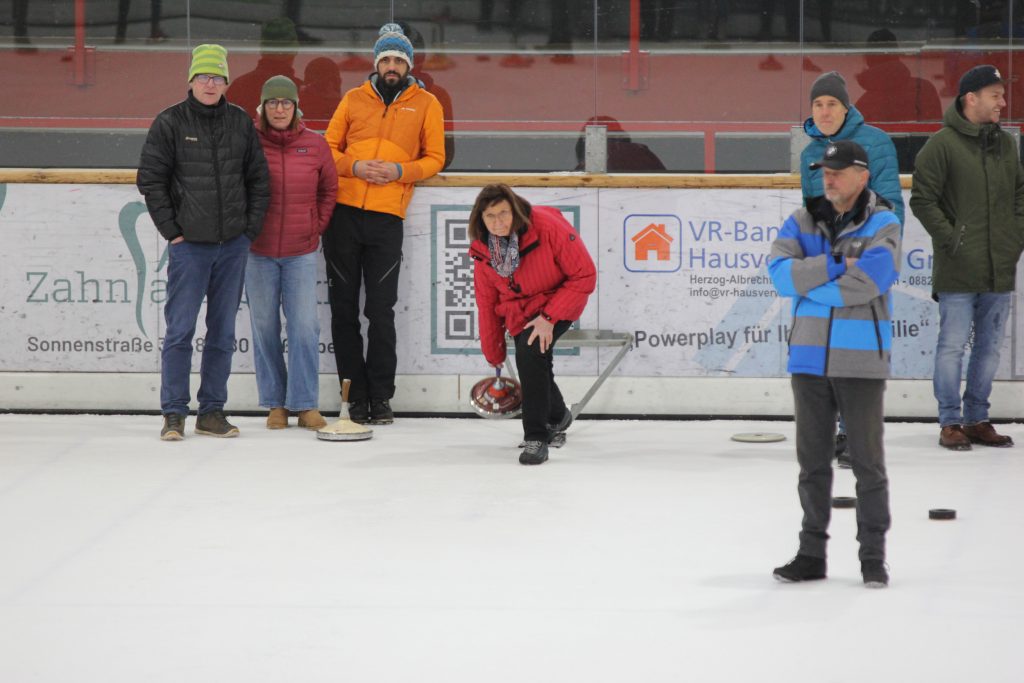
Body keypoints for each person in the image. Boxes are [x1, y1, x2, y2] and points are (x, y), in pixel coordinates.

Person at [768, 140, 901, 588]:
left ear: (863, 176)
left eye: (838, 170)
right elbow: (779, 275)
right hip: (807, 358)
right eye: (825, 170)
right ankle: (811, 556)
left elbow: (871, 281)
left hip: (860, 359)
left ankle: (872, 559)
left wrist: (811, 280)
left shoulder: (883, 222)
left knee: (867, 463)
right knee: (812, 464)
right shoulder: (801, 219)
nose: (828, 177)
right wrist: (835, 263)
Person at [137, 44, 270, 440]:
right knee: (180, 331)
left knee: (223, 333)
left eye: (217, 77)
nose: (210, 84)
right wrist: (172, 232)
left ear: (226, 82)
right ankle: (174, 413)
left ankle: (211, 411)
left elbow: (258, 179)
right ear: (191, 81)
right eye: (203, 77)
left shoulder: (240, 122)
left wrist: (248, 231)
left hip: (232, 245)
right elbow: (151, 180)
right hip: (189, 246)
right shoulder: (170, 122)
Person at [322, 23, 445, 425]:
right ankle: (353, 396)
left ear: (408, 65)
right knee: (343, 310)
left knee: (380, 310)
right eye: (386, 59)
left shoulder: (426, 103)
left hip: (387, 218)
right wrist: (355, 166)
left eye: (399, 60)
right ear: (376, 63)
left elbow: (435, 159)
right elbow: (327, 149)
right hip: (342, 214)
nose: (392, 66)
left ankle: (380, 396)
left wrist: (398, 171)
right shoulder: (353, 99)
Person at [909, 65, 1024, 451]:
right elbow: (923, 200)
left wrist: (1013, 239)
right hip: (958, 266)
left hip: (999, 265)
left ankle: (977, 418)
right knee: (952, 345)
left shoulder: (1006, 144)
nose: (1003, 102)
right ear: (970, 98)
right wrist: (952, 240)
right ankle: (950, 421)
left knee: (990, 347)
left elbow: (1020, 195)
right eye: (995, 95)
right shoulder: (942, 145)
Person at [801, 70, 904, 465]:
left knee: (859, 349)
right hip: (829, 260)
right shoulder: (810, 151)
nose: (825, 112)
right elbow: (813, 208)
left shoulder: (875, 142)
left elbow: (891, 202)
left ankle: (855, 435)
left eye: (832, 104)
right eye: (818, 104)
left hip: (866, 257)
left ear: (847, 107)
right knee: (825, 347)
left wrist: (877, 254)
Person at [468, 185, 596, 465]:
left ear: (515, 211)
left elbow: (584, 276)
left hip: (559, 299)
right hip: (520, 311)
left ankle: (536, 437)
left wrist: (549, 317)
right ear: (481, 219)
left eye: (504, 213)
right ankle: (557, 415)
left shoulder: (548, 227)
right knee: (534, 359)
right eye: (491, 216)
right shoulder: (482, 251)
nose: (499, 222)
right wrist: (494, 351)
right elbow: (487, 304)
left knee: (530, 351)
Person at [246, 76, 337, 431]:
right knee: (265, 326)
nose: (279, 109)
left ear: (296, 107)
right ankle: (275, 404)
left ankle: (305, 404)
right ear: (263, 108)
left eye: (286, 103)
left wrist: (317, 225)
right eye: (272, 103)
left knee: (303, 327)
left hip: (300, 250)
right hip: (258, 251)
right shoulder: (249, 143)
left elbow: (329, 189)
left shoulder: (314, 145)